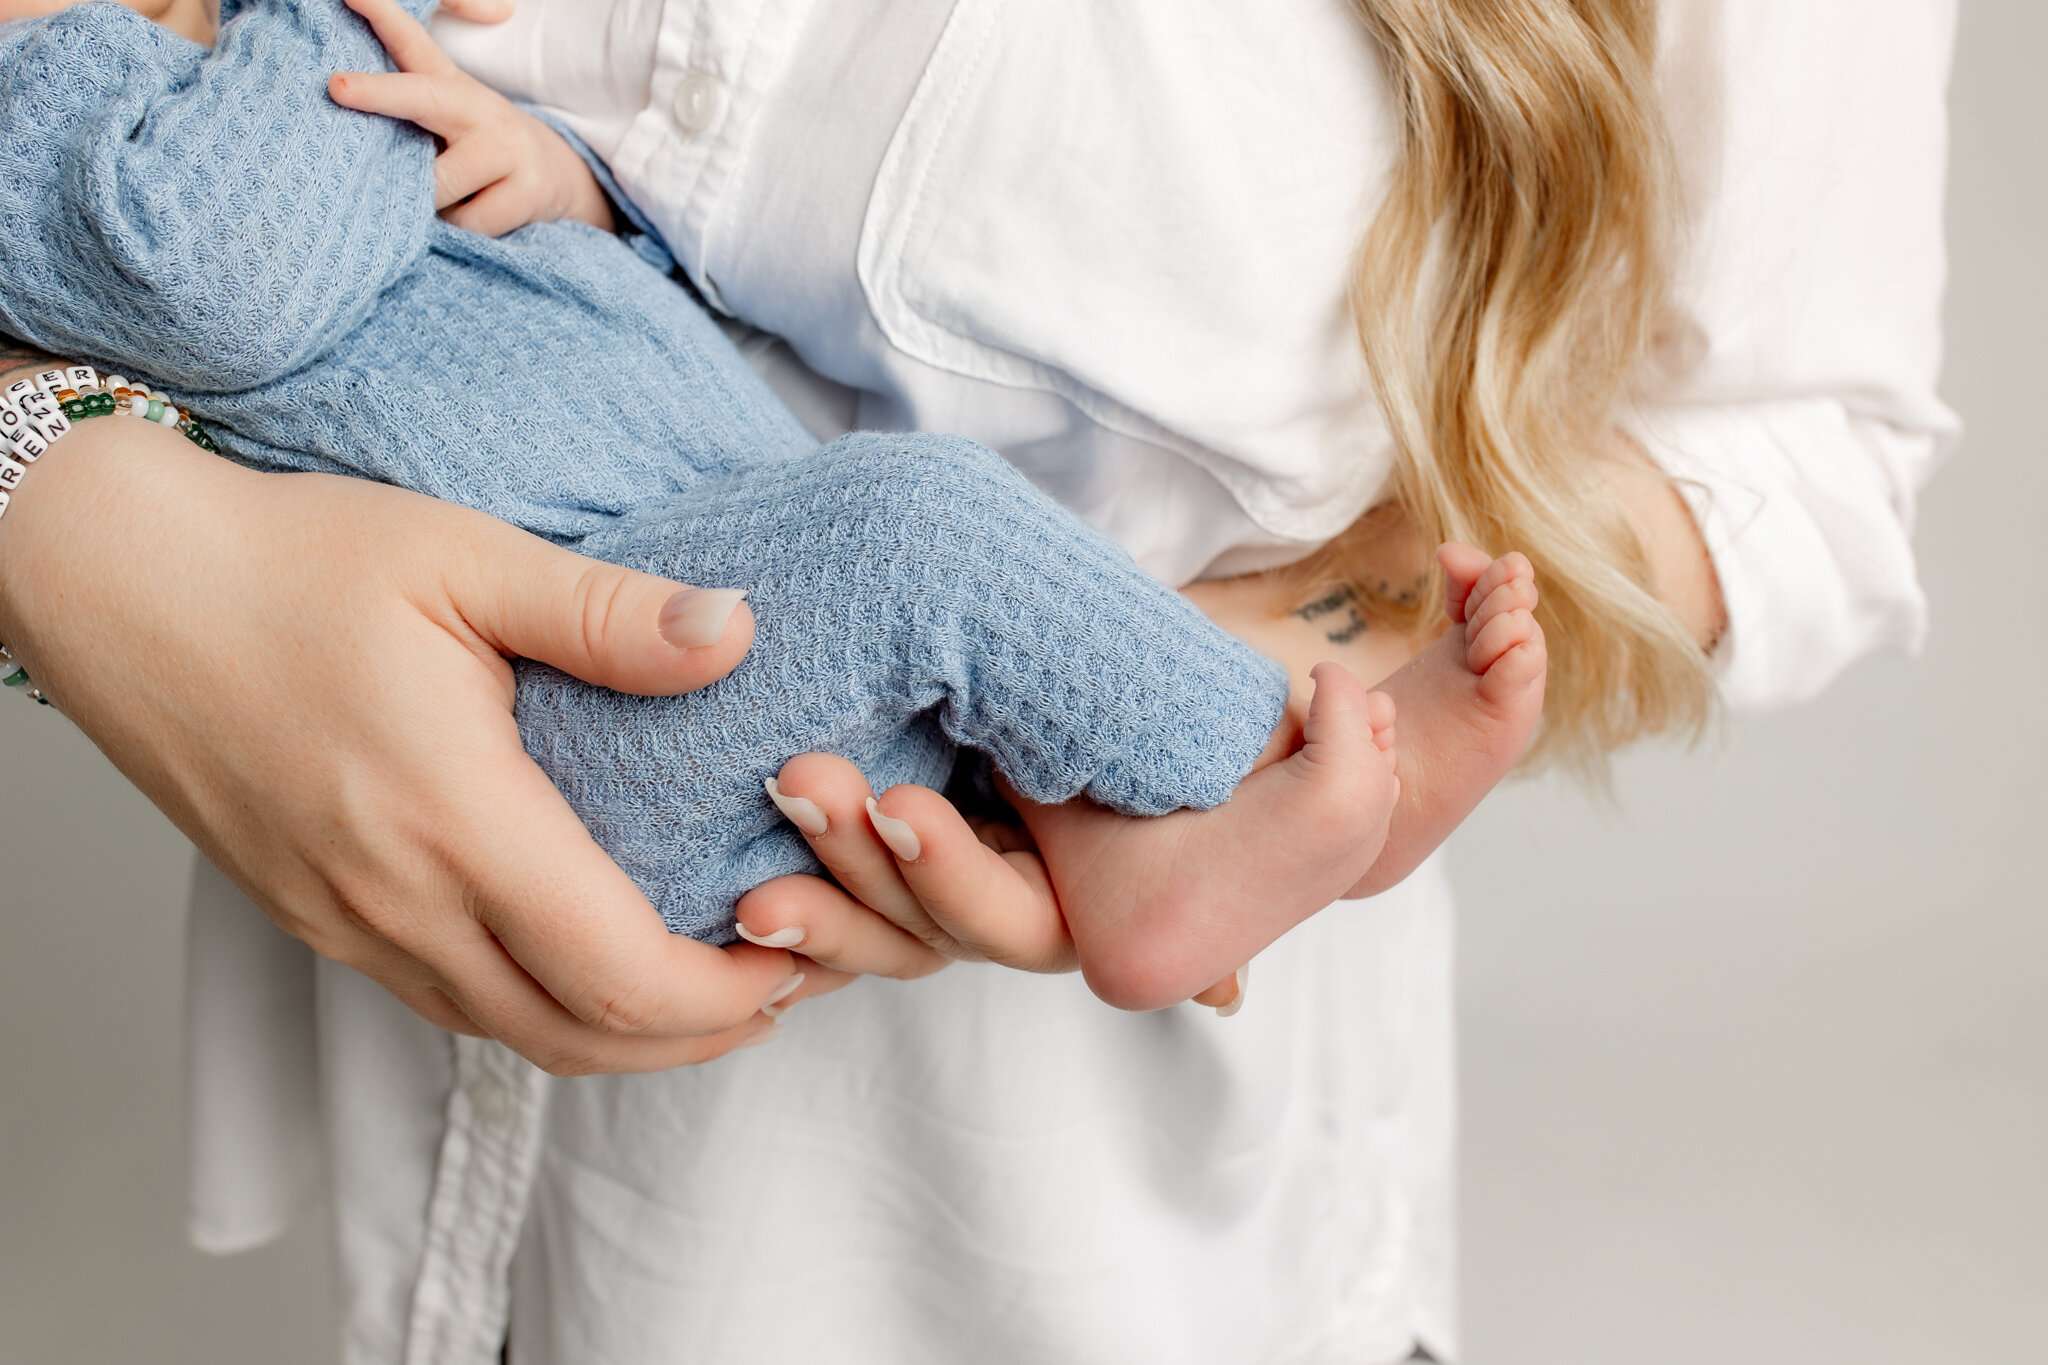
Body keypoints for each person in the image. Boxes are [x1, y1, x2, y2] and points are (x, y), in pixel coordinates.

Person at [0, 0, 1958, 1361]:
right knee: (914, 532)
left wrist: (534, 165)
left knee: (910, 553)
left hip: (1078, 1261)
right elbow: (192, 257)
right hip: (543, 867)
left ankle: (1171, 791)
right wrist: (58, 512)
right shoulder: (98, 96)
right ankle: (1203, 786)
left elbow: (1799, 448)